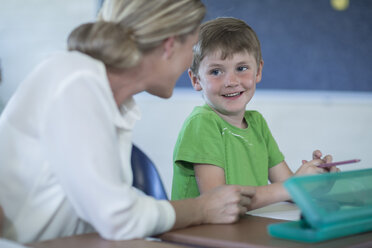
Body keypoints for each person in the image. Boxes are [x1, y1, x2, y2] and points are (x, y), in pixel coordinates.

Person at [0, 2, 256, 244]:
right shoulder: (76, 81)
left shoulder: (114, 99)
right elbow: (117, 218)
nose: (190, 63)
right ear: (169, 46)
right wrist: (202, 208)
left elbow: (109, 212)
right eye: (191, 49)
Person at [171, 17, 338, 209]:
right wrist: (291, 187)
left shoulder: (257, 123)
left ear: (258, 71)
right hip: (200, 235)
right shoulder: (201, 123)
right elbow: (219, 203)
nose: (231, 81)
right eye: (216, 71)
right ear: (196, 80)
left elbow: (290, 191)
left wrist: (313, 182)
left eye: (241, 68)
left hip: (242, 231)